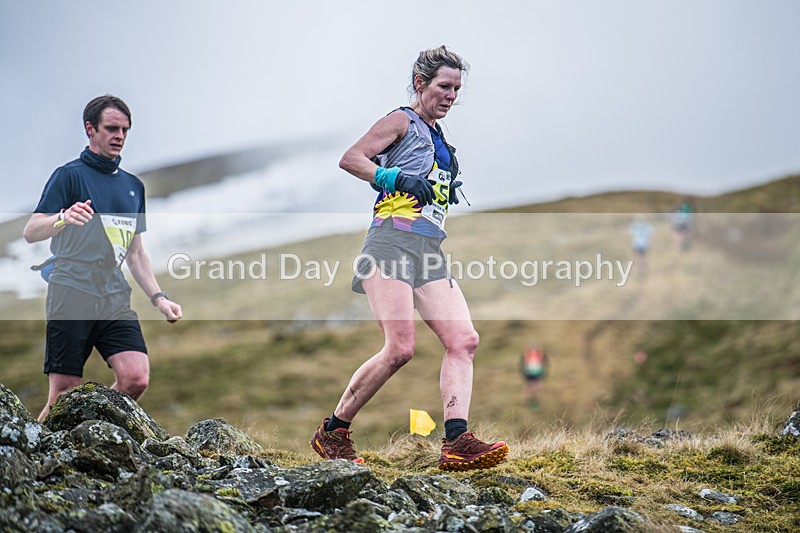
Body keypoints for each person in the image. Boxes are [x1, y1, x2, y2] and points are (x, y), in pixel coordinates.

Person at [310, 46, 508, 471]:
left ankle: (457, 441)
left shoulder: (442, 140)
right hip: (390, 242)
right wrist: (392, 176)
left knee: (464, 340)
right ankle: (334, 430)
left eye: (457, 88)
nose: (451, 95)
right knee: (400, 349)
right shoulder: (401, 120)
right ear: (421, 83)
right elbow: (351, 158)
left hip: (427, 248)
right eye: (444, 86)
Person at [23, 95, 182, 422]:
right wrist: (63, 218)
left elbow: (136, 252)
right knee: (64, 393)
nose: (119, 136)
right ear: (90, 129)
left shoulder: (133, 186)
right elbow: (30, 231)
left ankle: (93, 433)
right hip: (71, 292)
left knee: (136, 377)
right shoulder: (68, 176)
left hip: (113, 295)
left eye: (125, 129)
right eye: (111, 128)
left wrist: (159, 298)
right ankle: (35, 450)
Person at [520, 345, 547, 411]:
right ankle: (532, 400)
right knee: (531, 387)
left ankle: (533, 400)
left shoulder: (538, 355)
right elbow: (523, 364)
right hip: (530, 373)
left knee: (534, 387)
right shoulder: (528, 355)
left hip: (536, 372)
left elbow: (544, 363)